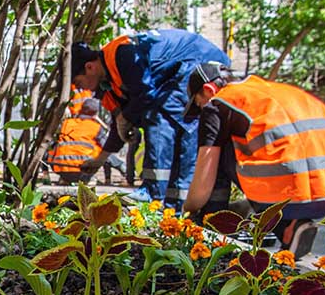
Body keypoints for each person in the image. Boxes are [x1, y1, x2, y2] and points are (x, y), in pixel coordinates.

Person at [181, 62, 325, 256]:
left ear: (208, 89)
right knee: (256, 145)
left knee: (221, 149)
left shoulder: (219, 103)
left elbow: (201, 189)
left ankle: (214, 227)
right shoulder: (279, 93)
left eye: (198, 103)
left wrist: (187, 211)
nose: (201, 109)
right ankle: (289, 229)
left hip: (282, 200)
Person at [70, 29, 229, 210]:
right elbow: (120, 122)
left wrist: (125, 118)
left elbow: (146, 96)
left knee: (164, 117)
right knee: (163, 114)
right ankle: (169, 204)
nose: (82, 88)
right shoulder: (110, 82)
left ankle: (159, 197)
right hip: (182, 71)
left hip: (198, 62)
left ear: (89, 67)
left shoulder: (124, 55)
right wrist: (100, 159)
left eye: (79, 82)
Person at [47, 93, 121, 184]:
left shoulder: (66, 123)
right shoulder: (95, 127)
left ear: (81, 109)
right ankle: (119, 171)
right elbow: (107, 149)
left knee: (54, 146)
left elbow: (50, 146)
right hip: (84, 170)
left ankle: (63, 179)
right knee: (103, 150)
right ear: (96, 113)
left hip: (60, 168)